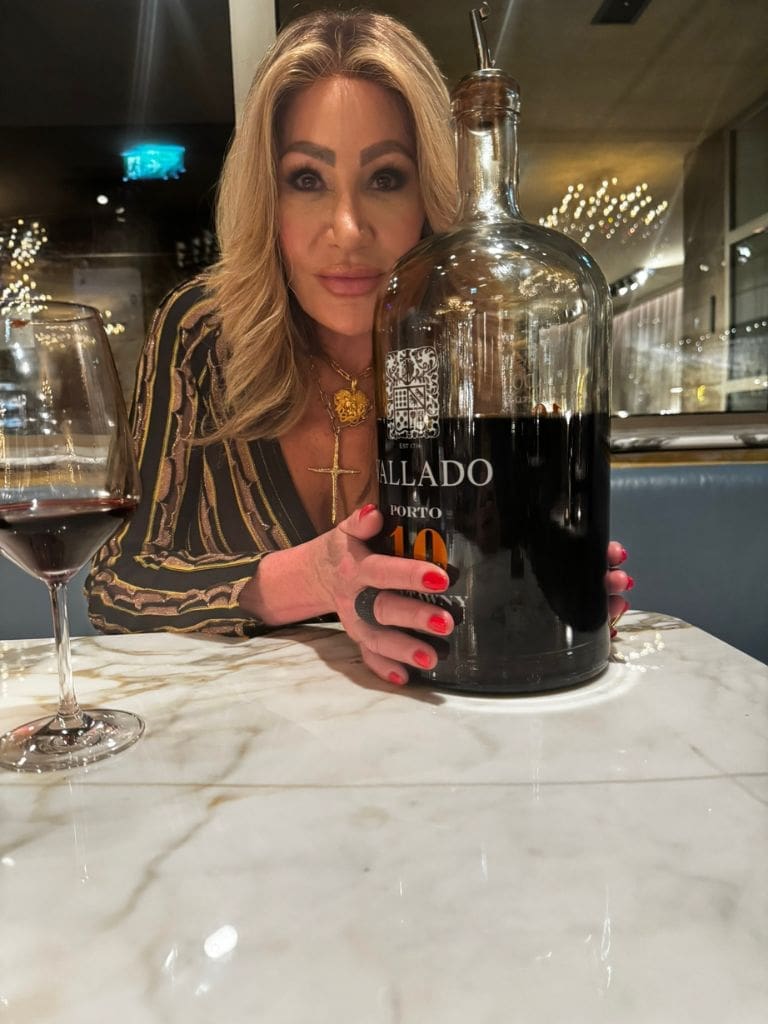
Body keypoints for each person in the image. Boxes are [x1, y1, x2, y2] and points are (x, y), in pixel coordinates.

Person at [86, 9, 632, 686]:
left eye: (386, 178)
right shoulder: (203, 332)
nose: (347, 230)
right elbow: (115, 588)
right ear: (268, 199)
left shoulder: (479, 337)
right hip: (249, 726)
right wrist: (320, 577)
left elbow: (492, 570)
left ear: (432, 193)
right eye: (307, 179)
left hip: (441, 708)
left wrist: (545, 587)